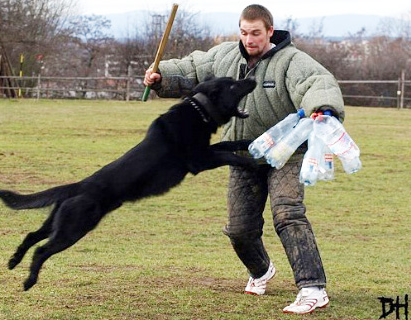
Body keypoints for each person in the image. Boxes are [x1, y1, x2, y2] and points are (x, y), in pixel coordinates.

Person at [144, 4, 344, 315]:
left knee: (288, 214)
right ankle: (262, 270)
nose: (249, 39)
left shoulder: (292, 62)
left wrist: (323, 107)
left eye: (255, 33)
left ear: (269, 31)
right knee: (239, 229)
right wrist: (160, 77)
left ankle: (312, 288)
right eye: (244, 32)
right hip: (244, 153)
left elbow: (317, 83)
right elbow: (192, 69)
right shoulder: (225, 56)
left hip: (286, 153)